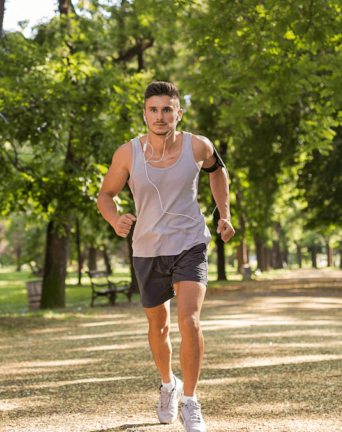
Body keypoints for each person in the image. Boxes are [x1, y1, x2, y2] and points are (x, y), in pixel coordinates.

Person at [97, 82, 235, 432]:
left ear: (179, 113)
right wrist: (115, 220)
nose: (160, 116)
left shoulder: (198, 146)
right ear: (145, 114)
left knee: (190, 321)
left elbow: (219, 171)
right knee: (158, 328)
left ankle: (190, 401)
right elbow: (106, 195)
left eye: (167, 109)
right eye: (154, 110)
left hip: (190, 243)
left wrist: (224, 214)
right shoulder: (127, 153)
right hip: (147, 249)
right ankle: (168, 385)